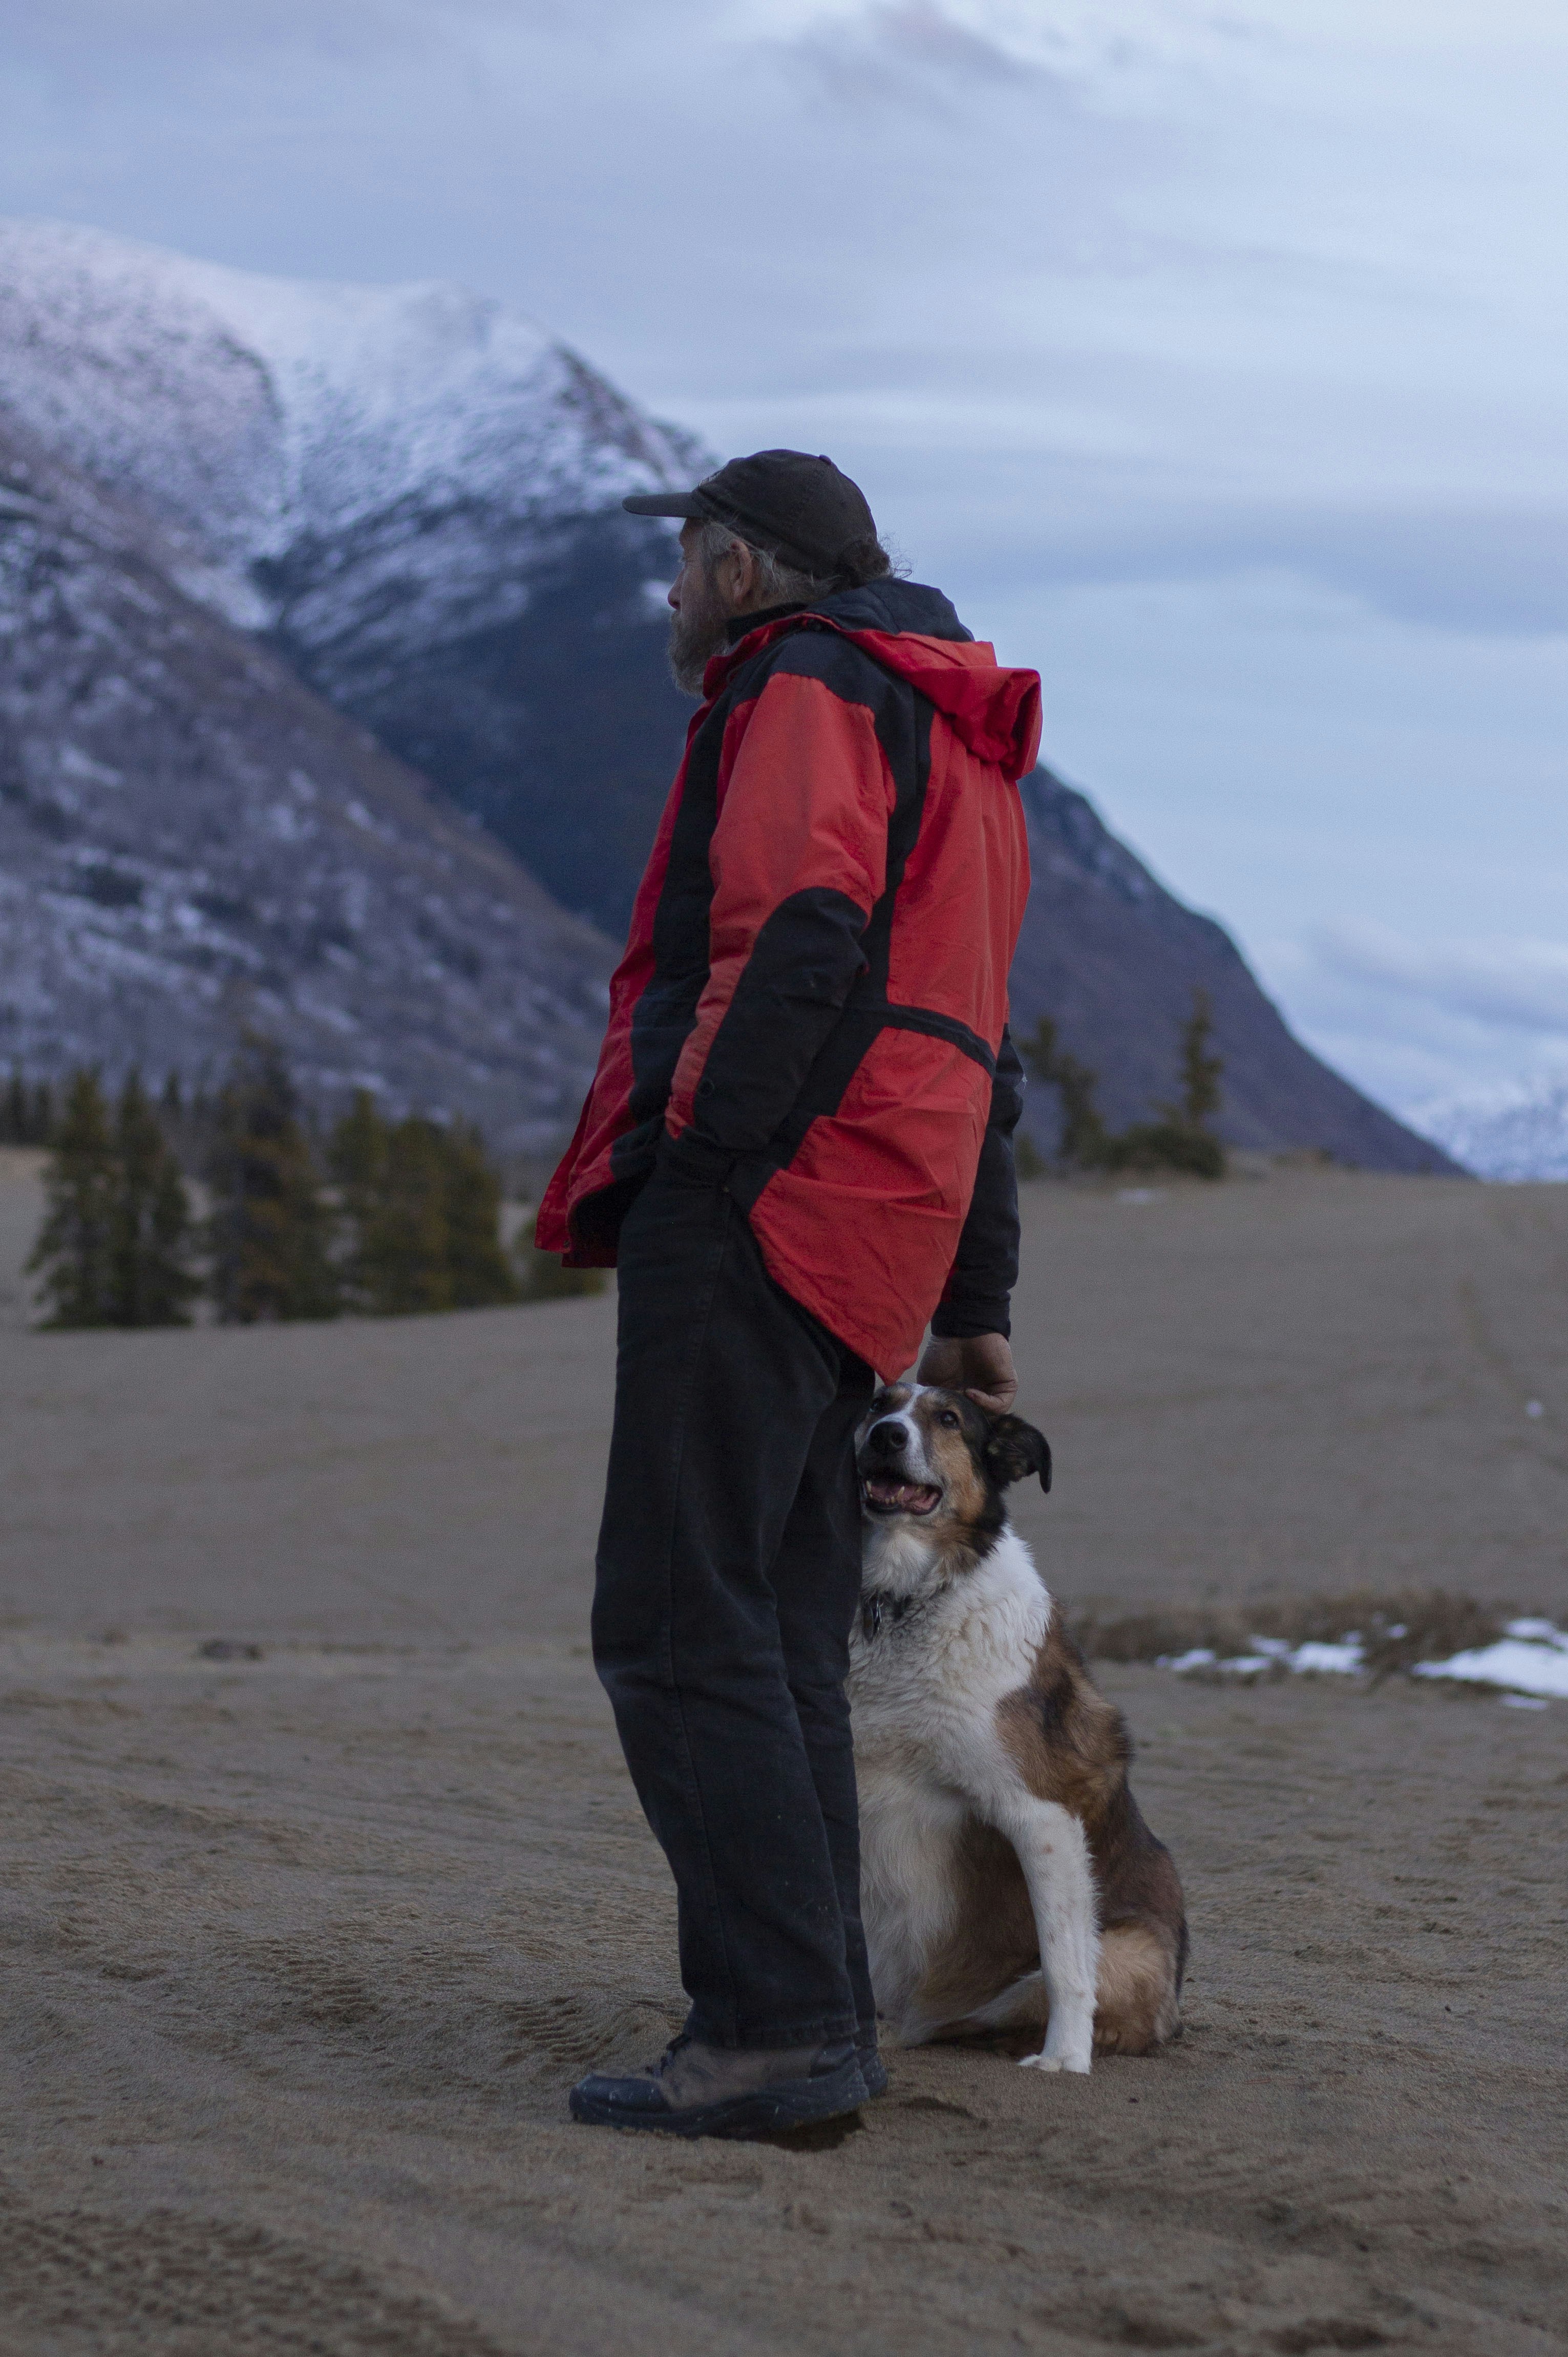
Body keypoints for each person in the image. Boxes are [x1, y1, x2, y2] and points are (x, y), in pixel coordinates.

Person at [535, 450, 1041, 2138]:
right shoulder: (955, 733)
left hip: (771, 1209)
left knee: (679, 1623)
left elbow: (805, 930)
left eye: (685, 563)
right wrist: (974, 1289)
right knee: (764, 1624)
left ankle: (772, 2031)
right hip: (879, 1231)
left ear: (742, 572)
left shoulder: (808, 682)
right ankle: (819, 2013)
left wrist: (708, 1164)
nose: (672, 594)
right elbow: (981, 1047)